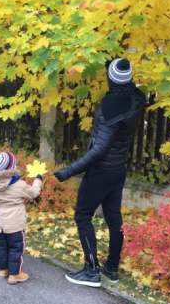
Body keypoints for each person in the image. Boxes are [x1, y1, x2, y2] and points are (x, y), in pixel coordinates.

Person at [54, 58, 146, 287]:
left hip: (101, 172)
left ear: (111, 78)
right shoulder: (135, 99)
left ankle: (91, 270)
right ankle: (112, 268)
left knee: (82, 215)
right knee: (114, 219)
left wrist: (68, 171)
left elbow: (100, 149)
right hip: (118, 169)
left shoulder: (110, 107)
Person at [0, 151, 43, 284]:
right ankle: (15, 275)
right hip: (15, 224)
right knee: (16, 248)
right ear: (11, 168)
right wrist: (38, 180)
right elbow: (33, 193)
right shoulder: (19, 185)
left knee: (1, 247)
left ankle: (3, 270)